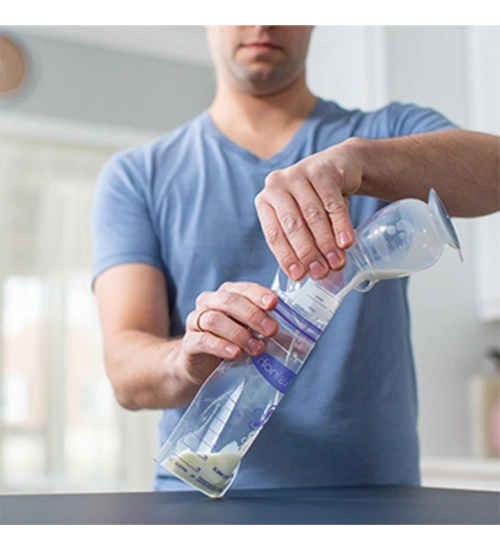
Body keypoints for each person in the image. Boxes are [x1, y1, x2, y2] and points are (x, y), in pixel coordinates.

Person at [91, 25, 500, 491]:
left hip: (373, 501)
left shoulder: (385, 135)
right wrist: (184, 360)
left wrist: (360, 163)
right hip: (202, 503)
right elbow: (125, 371)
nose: (263, 21)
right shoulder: (137, 177)